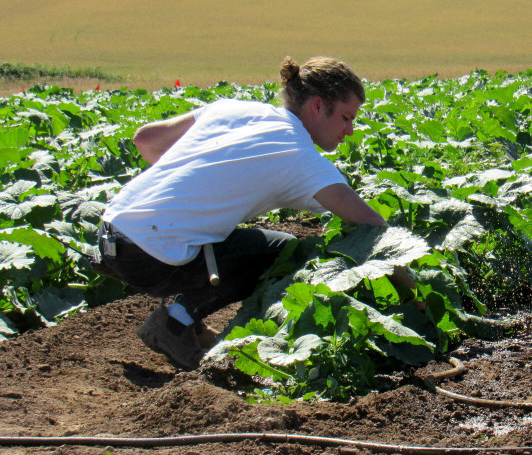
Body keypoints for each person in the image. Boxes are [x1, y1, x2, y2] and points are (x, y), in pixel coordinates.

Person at [96, 56, 413, 370]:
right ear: (318, 106)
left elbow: (145, 140)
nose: (350, 130)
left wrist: (189, 194)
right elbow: (372, 224)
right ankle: (175, 323)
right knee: (283, 251)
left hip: (110, 234)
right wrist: (415, 295)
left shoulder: (232, 109)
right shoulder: (299, 155)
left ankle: (186, 317)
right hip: (148, 255)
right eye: (345, 117)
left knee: (228, 238)